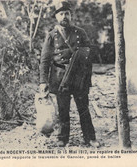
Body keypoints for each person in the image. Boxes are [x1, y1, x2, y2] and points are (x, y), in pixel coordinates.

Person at [39, 1, 99, 147]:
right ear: (56, 17)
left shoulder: (80, 32)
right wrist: (43, 81)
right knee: (63, 109)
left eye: (67, 13)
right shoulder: (52, 35)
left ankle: (90, 138)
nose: (64, 16)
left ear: (71, 15)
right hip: (60, 78)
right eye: (61, 14)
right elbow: (45, 60)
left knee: (83, 109)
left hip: (78, 77)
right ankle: (63, 138)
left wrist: (82, 58)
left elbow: (91, 52)